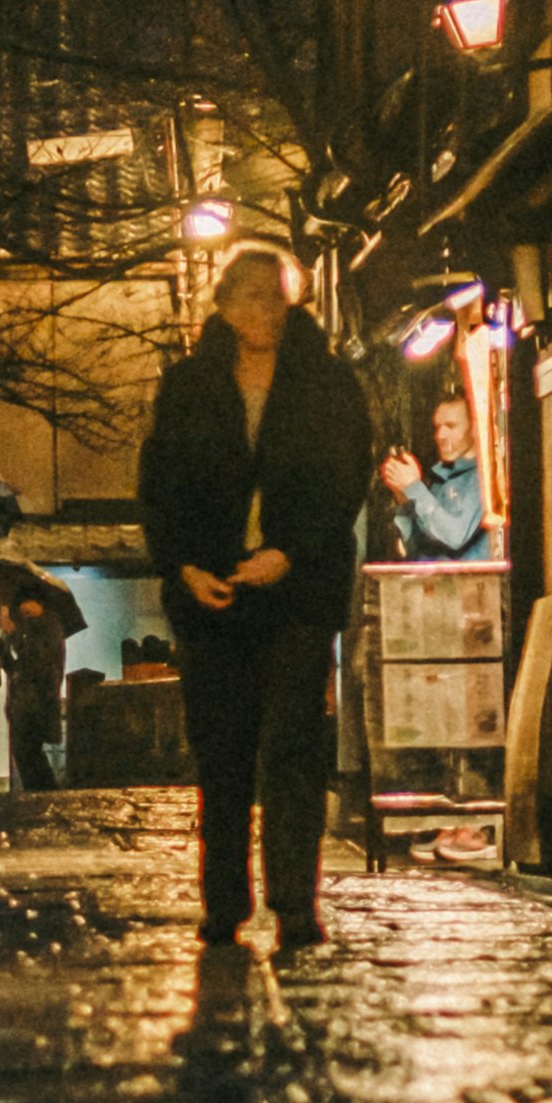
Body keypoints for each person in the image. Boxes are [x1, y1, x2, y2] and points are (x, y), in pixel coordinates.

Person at [136, 242, 373, 951]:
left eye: (274, 296)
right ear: (224, 306)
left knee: (294, 750)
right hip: (214, 594)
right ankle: (224, 903)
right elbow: (161, 483)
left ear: (291, 299)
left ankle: (296, 903)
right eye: (247, 297)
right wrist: (182, 564)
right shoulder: (189, 385)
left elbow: (344, 476)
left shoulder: (326, 383)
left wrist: (290, 551)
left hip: (297, 594)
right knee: (223, 753)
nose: (262, 311)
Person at [376, 378, 501, 561]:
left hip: (466, 586)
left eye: (451, 426)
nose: (441, 435)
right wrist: (404, 501)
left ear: (475, 428)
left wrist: (414, 487)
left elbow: (454, 536)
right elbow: (414, 550)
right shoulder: (439, 480)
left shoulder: (483, 478)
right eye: (438, 427)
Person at [0, 586, 70, 791]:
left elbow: (38, 661)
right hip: (23, 703)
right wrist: (4, 644)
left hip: (36, 704)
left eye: (27, 601)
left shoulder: (49, 625)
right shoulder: (29, 628)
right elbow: (15, 668)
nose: (22, 608)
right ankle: (41, 794)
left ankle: (45, 794)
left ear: (39, 602)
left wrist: (12, 636)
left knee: (29, 754)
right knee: (25, 755)